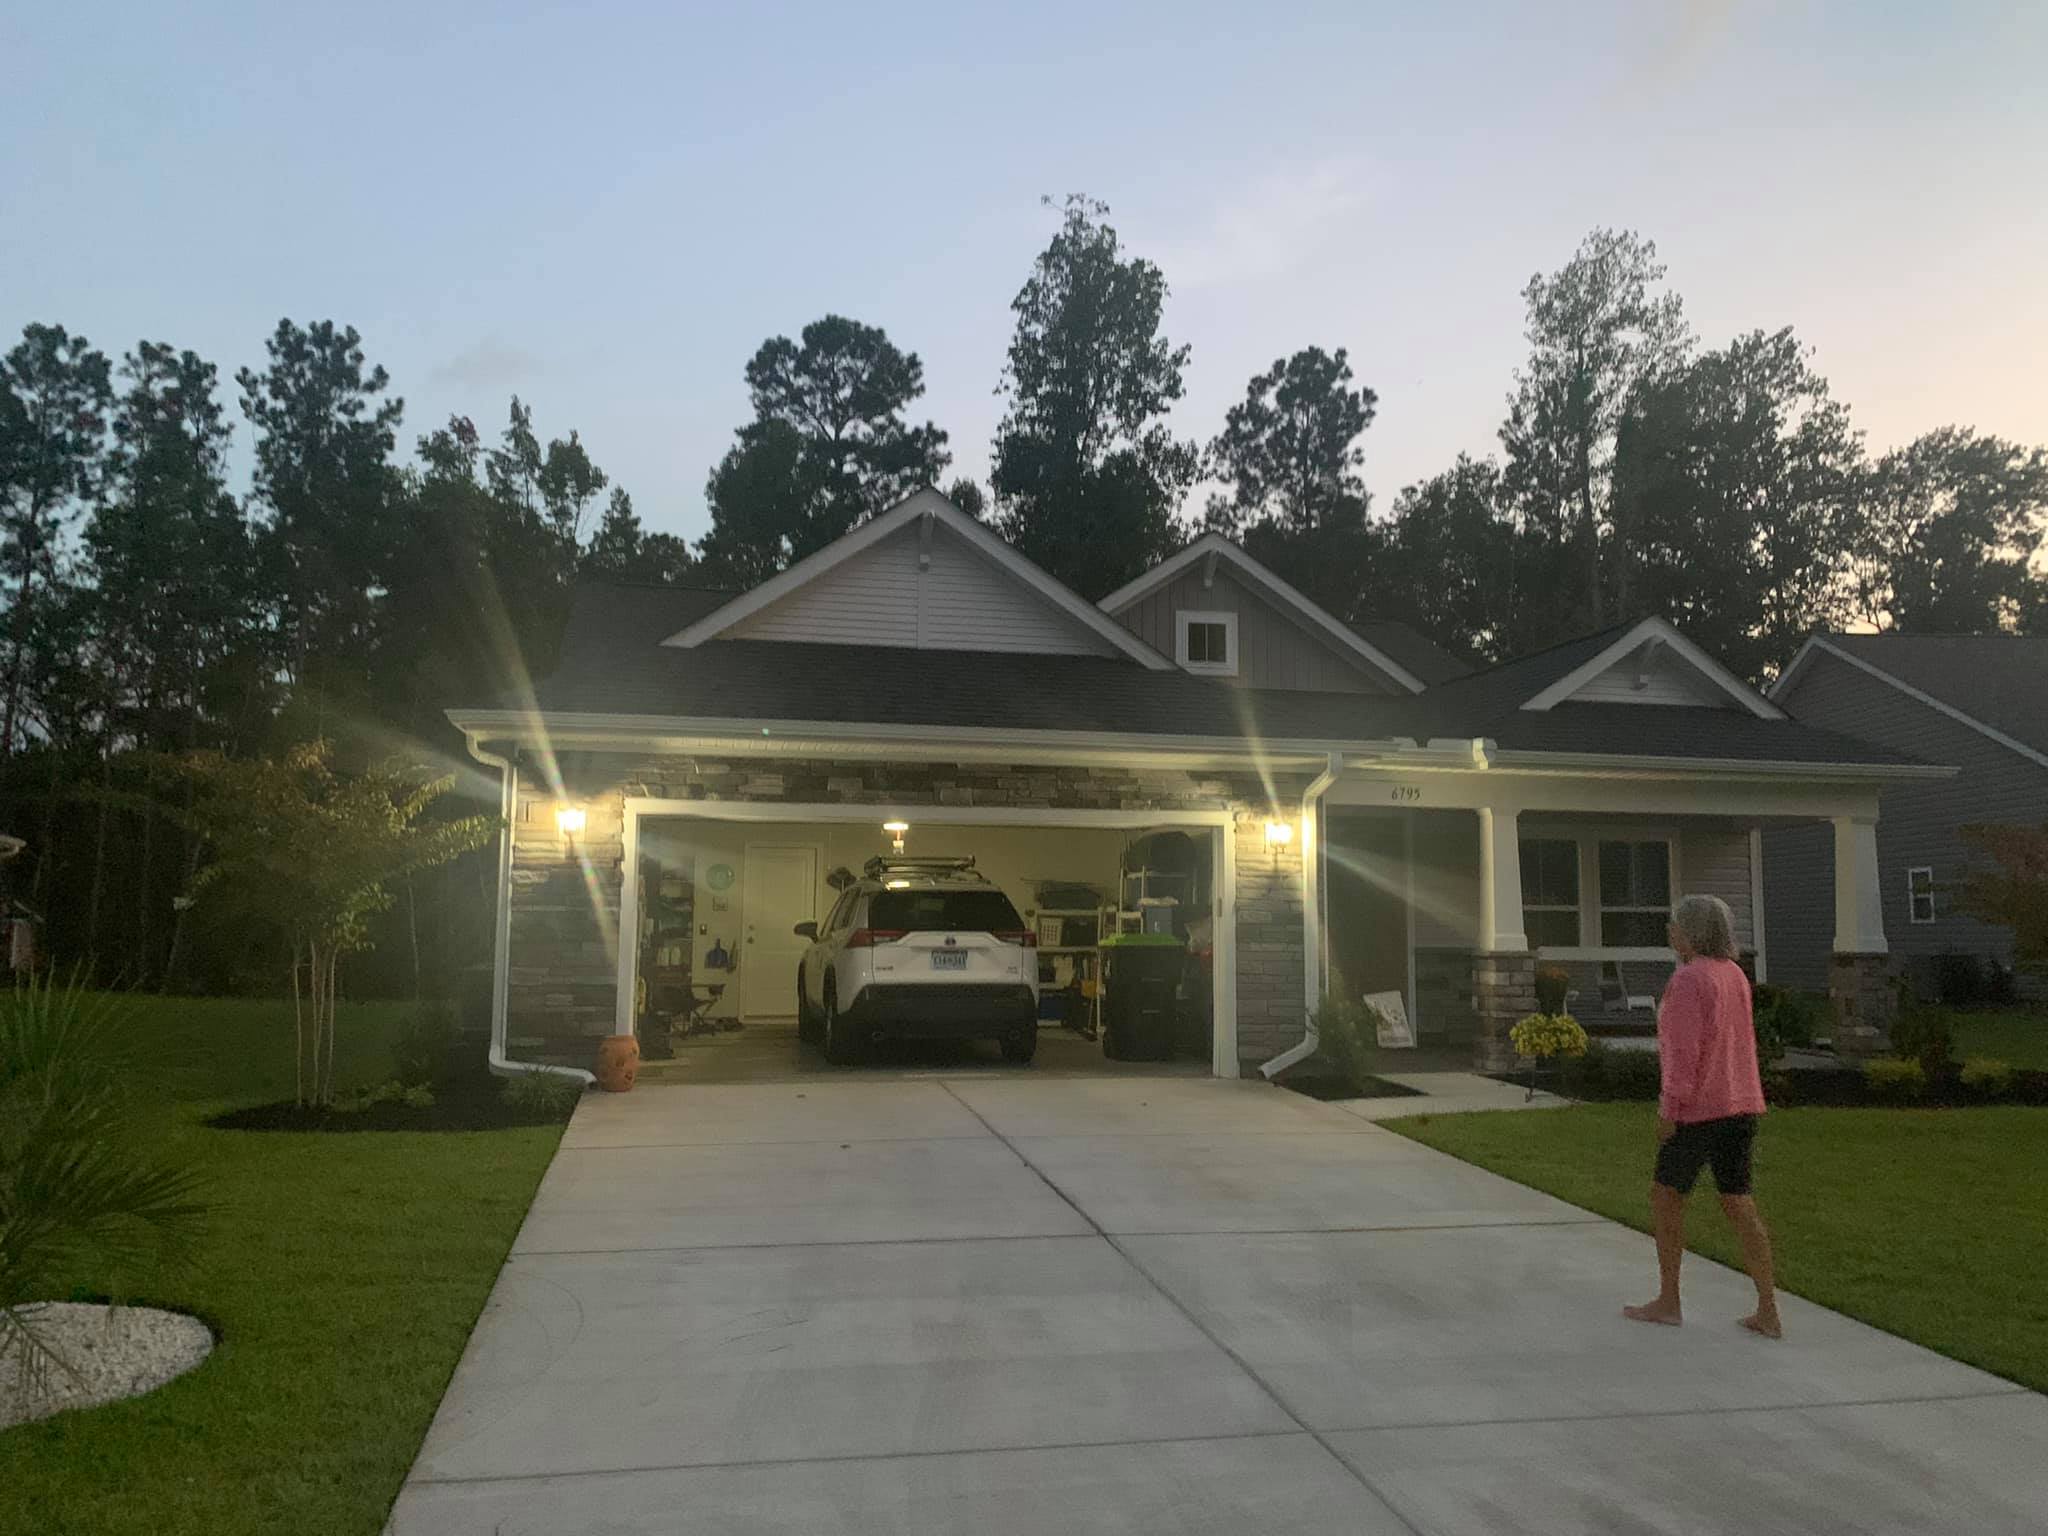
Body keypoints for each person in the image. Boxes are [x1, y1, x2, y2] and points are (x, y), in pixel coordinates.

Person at [1623, 893, 1782, 1338]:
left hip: (1697, 1112)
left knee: (1666, 1198)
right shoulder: (1734, 975)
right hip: (1741, 1105)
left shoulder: (1688, 979)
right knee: (1739, 1201)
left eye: (1675, 925)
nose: (1670, 932)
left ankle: (1668, 1300)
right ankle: (1768, 1308)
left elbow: (1682, 1054)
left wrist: (1669, 1109)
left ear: (1692, 932)